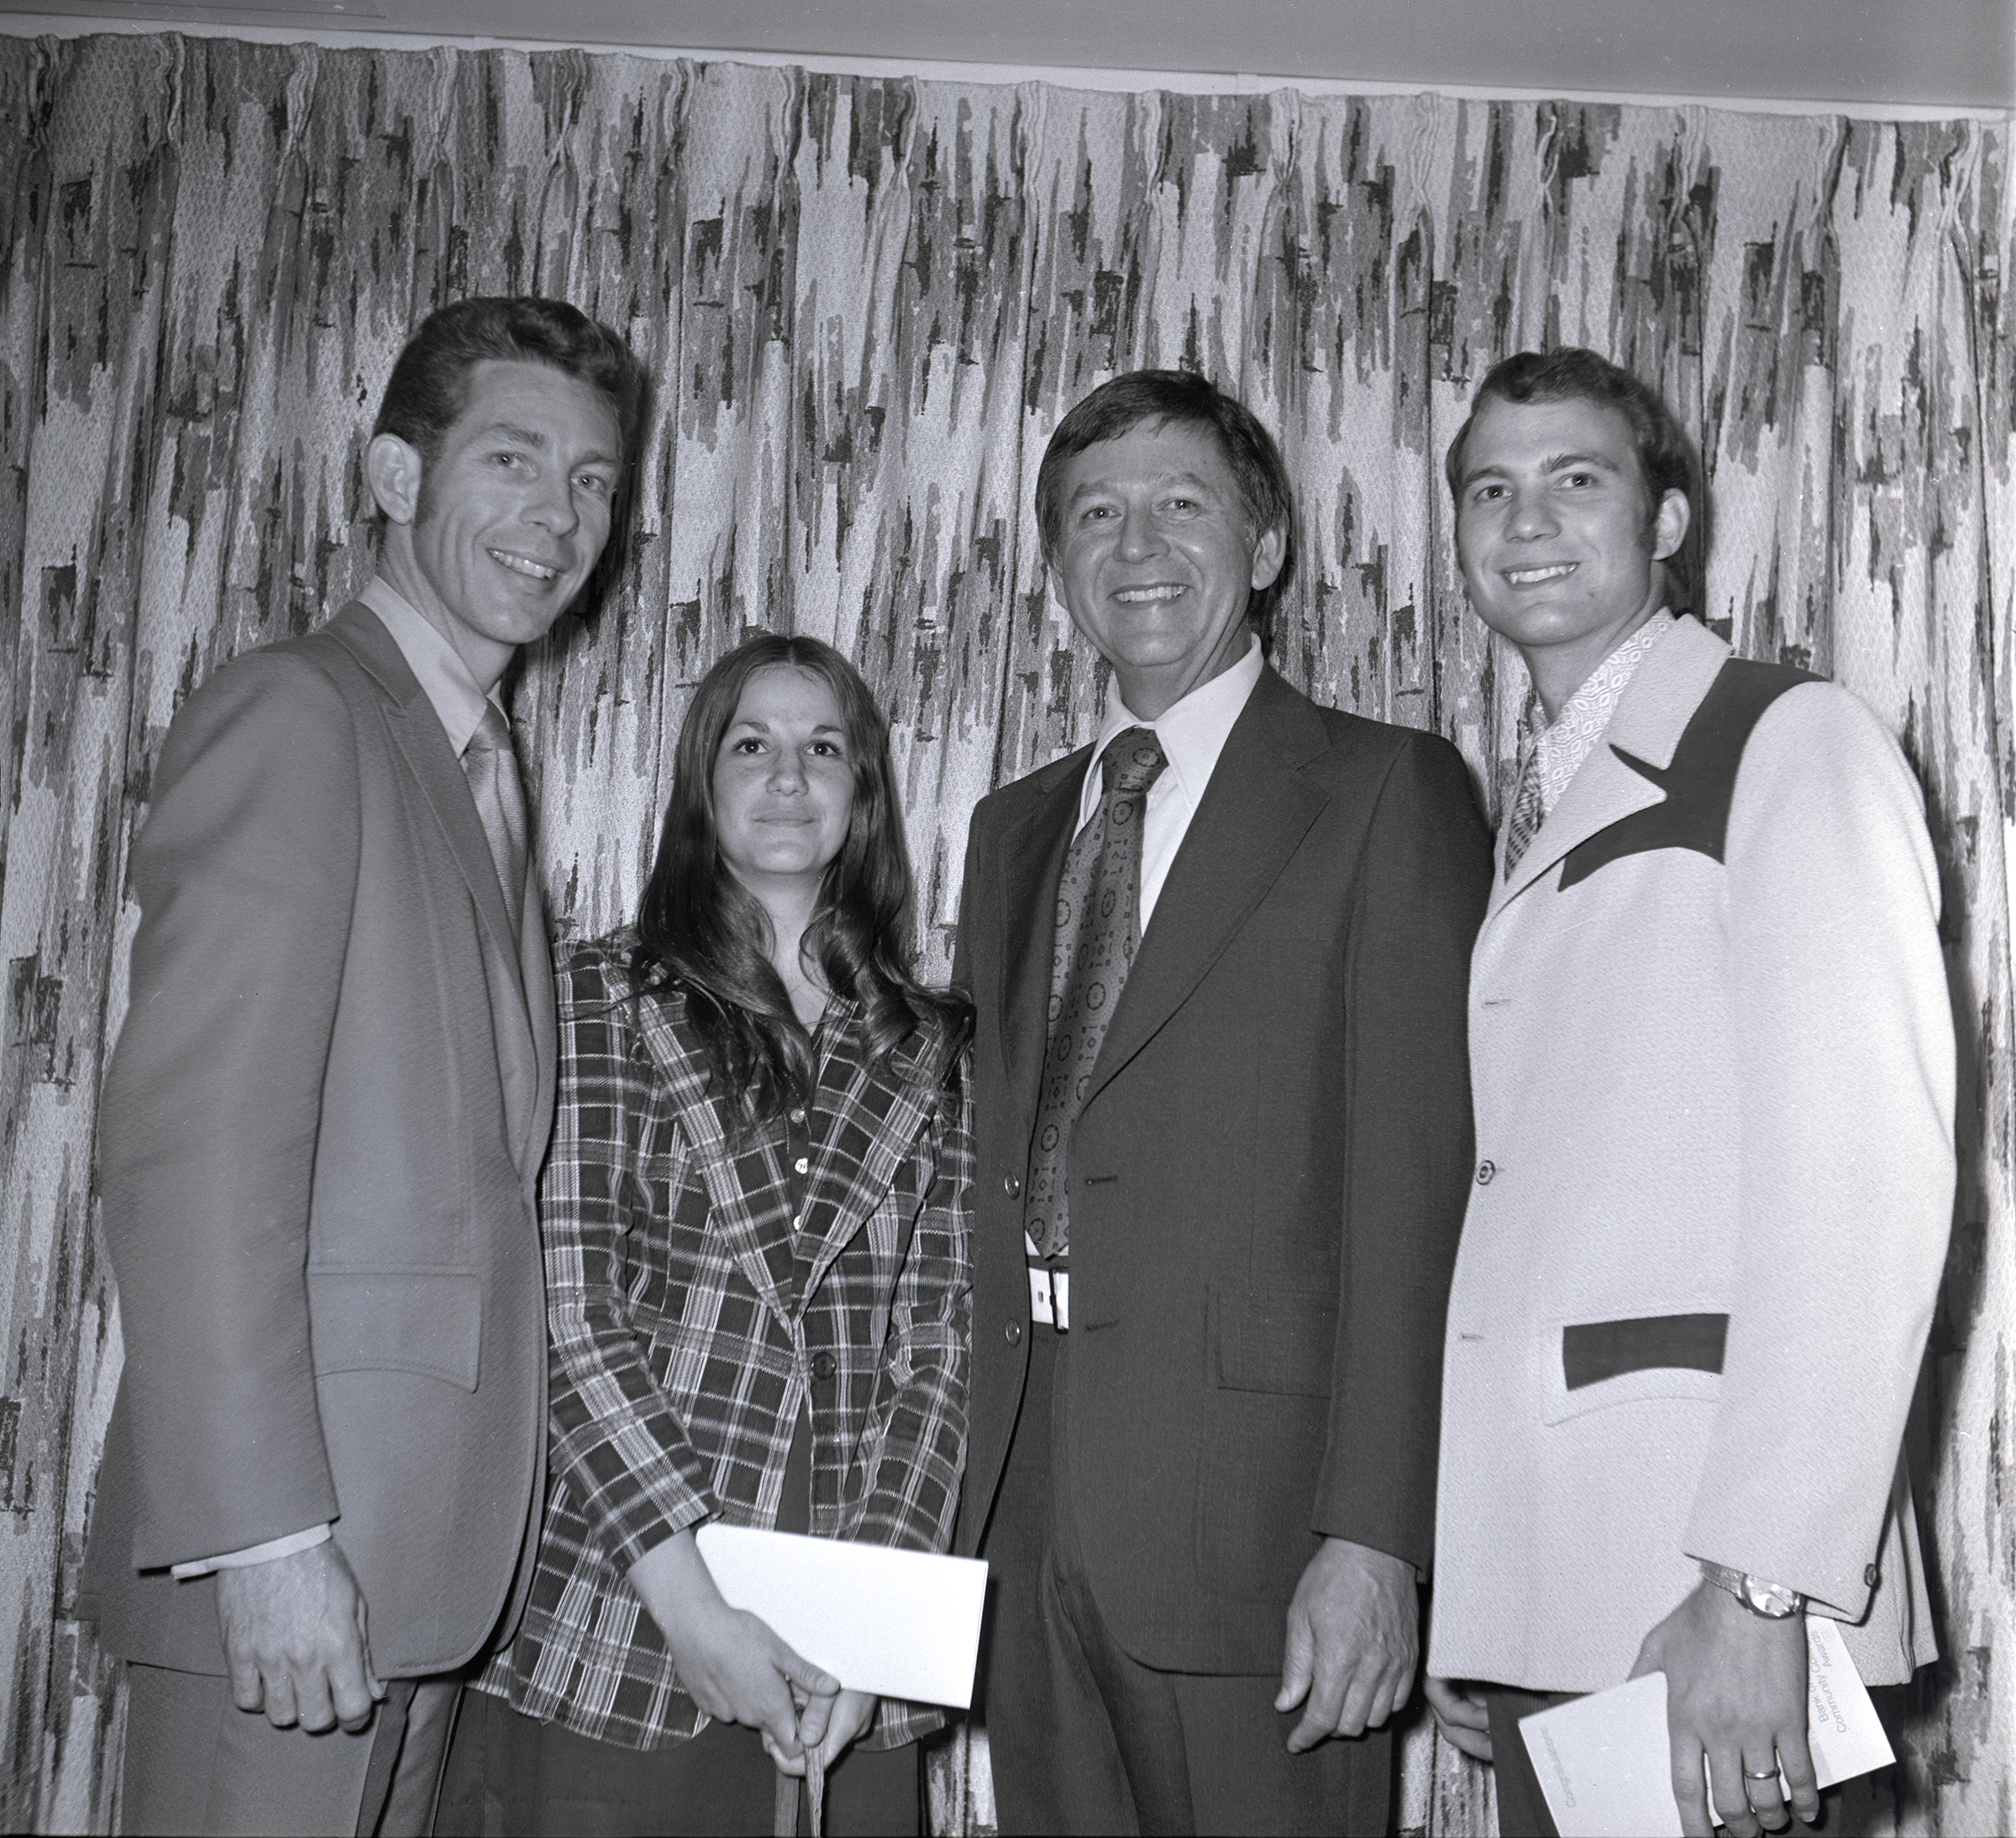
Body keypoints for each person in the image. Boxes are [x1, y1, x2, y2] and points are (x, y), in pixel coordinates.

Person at [79, 296, 646, 1835]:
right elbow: (194, 1156)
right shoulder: (302, 713)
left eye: (593, 481)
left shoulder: (475, 760)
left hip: (418, 1571)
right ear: (396, 477)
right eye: (513, 460)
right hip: (291, 1573)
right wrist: (266, 1541)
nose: (560, 517)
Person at [1423, 347, 1955, 1838]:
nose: (1528, 520)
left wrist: (1759, 1588)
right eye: (1491, 490)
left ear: (1666, 521)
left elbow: (1867, 1186)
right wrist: (1486, 1584)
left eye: (1575, 480)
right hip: (1563, 1583)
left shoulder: (1786, 741)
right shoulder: (1541, 795)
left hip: (1721, 1598)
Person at [953, 369, 1494, 1835]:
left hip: (1269, 1532)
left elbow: (1419, 1196)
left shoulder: (1386, 792)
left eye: (1180, 505)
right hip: (1023, 1514)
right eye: (1094, 516)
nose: (1136, 547)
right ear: (1056, 564)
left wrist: (1377, 1536)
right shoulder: (1011, 831)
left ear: (1264, 546)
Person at [435, 633, 974, 1838]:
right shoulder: (598, 995)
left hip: (847, 1660)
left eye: (822, 748)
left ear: (863, 791)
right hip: (624, 1621)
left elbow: (941, 1355)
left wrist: (867, 1641)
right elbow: (570, 1311)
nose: (788, 776)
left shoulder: (936, 1050)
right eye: (752, 745)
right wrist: (693, 1609)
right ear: (702, 785)